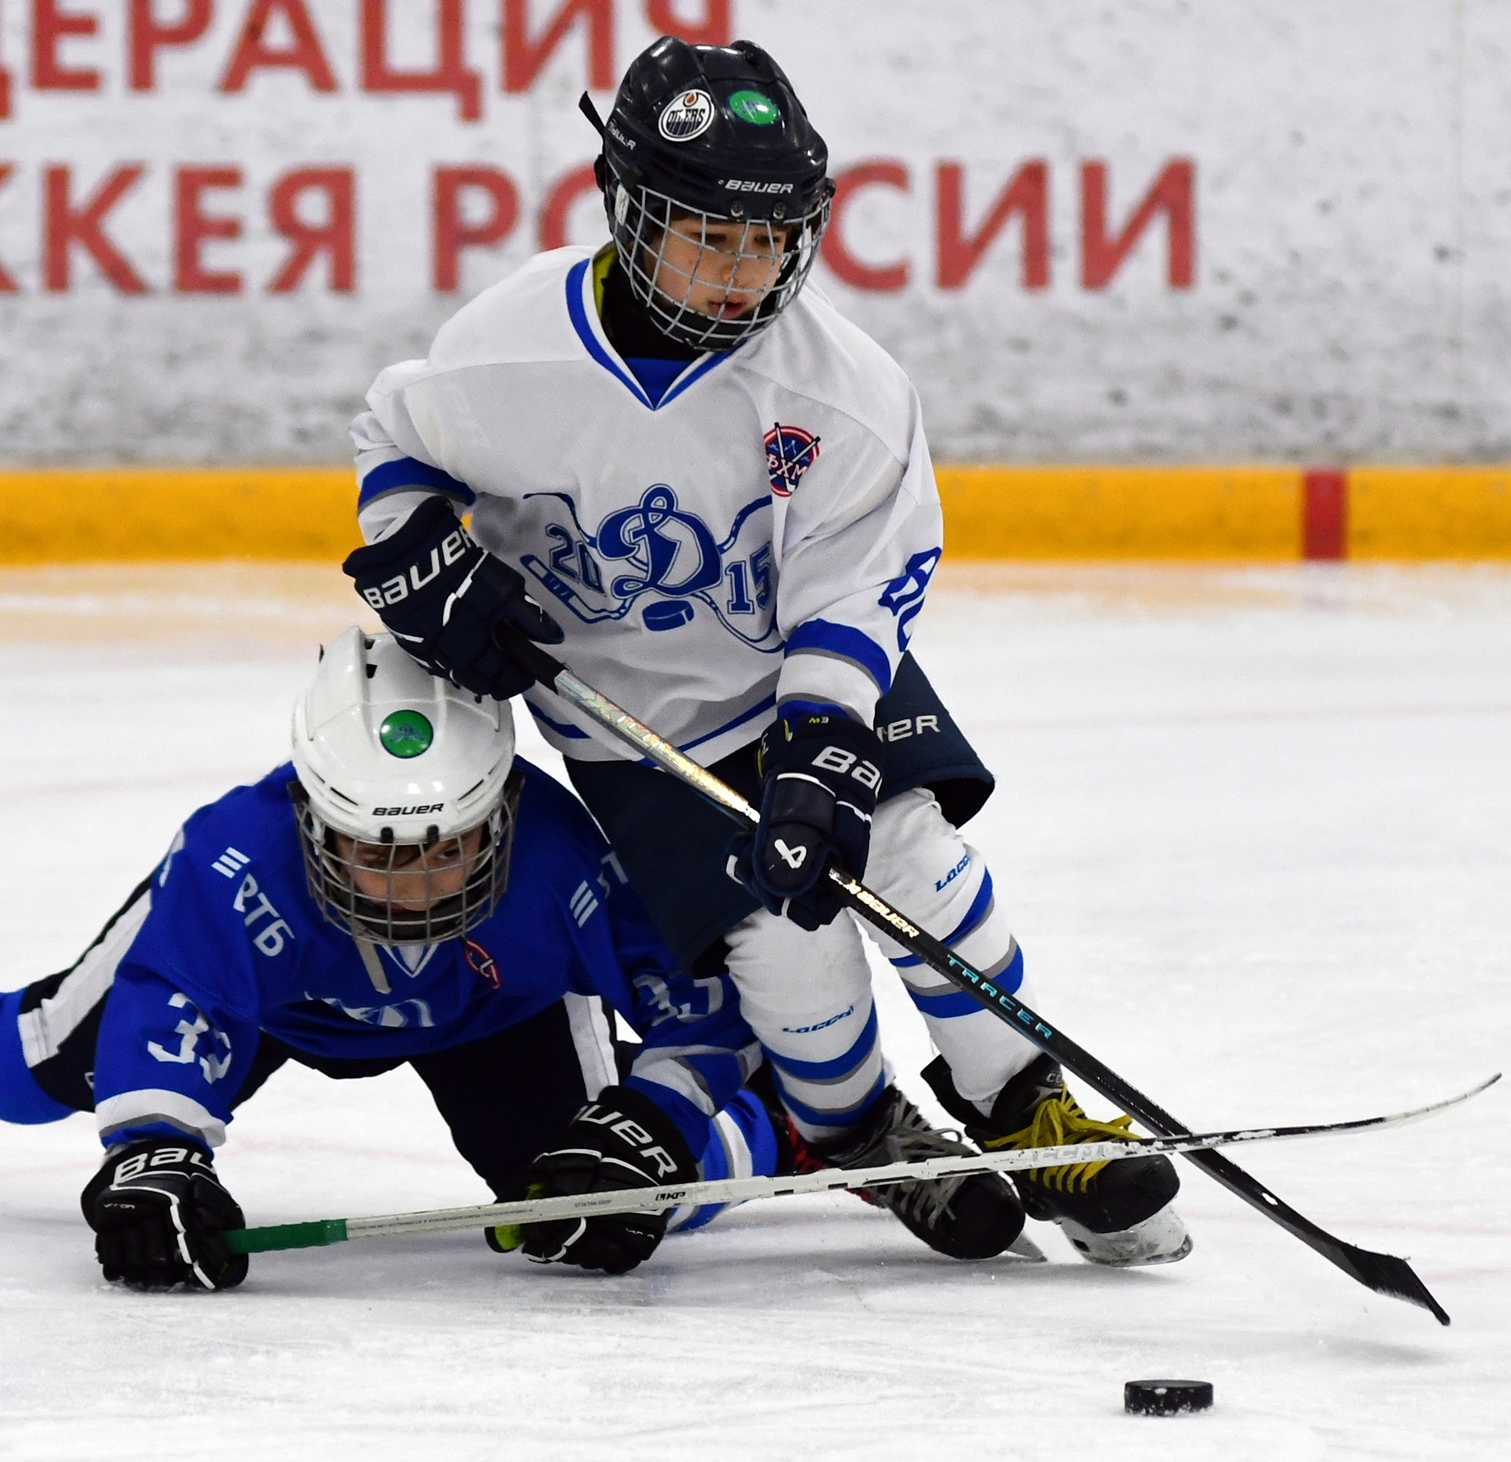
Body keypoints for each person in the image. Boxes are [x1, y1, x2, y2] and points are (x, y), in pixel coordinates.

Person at [342, 36, 1186, 1267]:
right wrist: (419, 556)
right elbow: (394, 441)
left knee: (908, 855)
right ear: (627, 204)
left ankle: (1024, 1096)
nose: (746, 271)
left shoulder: (837, 388)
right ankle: (854, 1131)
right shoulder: (503, 350)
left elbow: (854, 586)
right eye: (710, 235)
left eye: (770, 239)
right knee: (788, 958)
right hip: (638, 732)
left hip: (807, 683)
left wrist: (824, 739)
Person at [0, 628, 786, 1289]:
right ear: (310, 812)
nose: (413, 886)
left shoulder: (566, 852)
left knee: (592, 1198)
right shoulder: (234, 856)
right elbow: (165, 1012)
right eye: (377, 851)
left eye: (450, 846)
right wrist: (156, 1157)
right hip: (273, 1003)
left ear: (504, 807)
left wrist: (660, 1121)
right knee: (36, 1064)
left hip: (490, 1009)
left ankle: (785, 1125)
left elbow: (693, 1004)